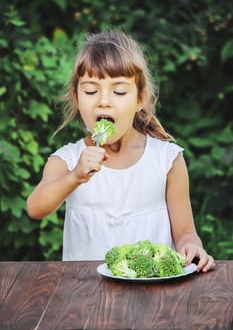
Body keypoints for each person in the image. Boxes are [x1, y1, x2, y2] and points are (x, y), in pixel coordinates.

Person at [27, 30, 215, 272]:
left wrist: (192, 246)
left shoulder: (167, 161)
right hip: (85, 295)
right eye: (91, 91)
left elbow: (186, 233)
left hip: (152, 292)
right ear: (76, 97)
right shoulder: (67, 160)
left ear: (139, 99)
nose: (104, 101)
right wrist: (75, 177)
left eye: (119, 91)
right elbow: (35, 208)